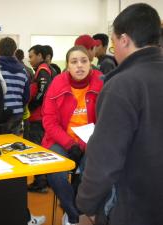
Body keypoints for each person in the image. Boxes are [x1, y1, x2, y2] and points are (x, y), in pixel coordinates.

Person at [76, 3, 163, 225]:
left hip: (134, 205)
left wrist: (87, 205)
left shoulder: (123, 85)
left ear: (124, 40)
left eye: (113, 43)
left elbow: (105, 158)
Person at [42, 46, 103, 225]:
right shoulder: (57, 83)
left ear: (90, 63)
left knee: (90, 172)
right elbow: (49, 121)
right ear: (67, 65)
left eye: (84, 61)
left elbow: (105, 119)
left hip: (90, 140)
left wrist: (83, 146)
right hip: (60, 139)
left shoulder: (101, 82)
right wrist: (69, 144)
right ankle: (74, 214)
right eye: (74, 62)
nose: (79, 66)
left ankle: (75, 209)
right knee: (54, 171)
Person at [27, 44, 53, 193]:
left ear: (40, 56)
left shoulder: (42, 71)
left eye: (31, 56)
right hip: (40, 116)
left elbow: (42, 92)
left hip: (38, 117)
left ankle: (40, 182)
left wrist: (33, 105)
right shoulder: (42, 70)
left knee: (37, 149)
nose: (30, 60)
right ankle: (44, 180)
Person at [0, 37, 30, 135]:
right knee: (13, 145)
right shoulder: (23, 71)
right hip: (17, 113)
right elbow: (26, 96)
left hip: (0, 114)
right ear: (14, 51)